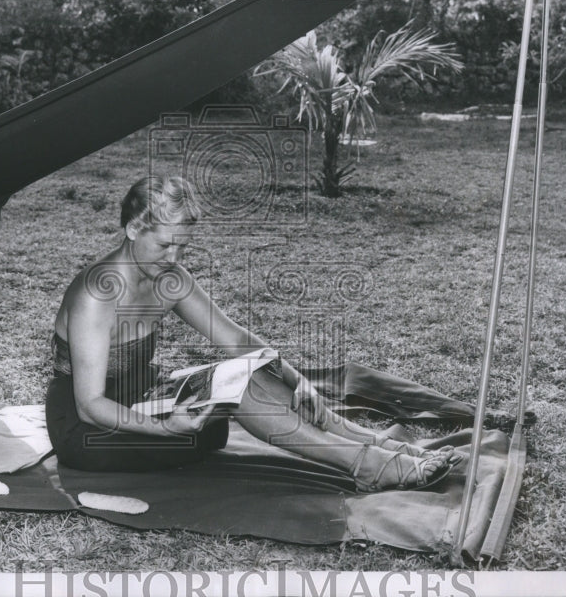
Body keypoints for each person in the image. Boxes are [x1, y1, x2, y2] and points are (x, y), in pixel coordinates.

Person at [45, 176, 459, 491]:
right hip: (88, 427)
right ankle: (366, 465)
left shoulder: (170, 278)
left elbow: (238, 341)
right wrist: (168, 428)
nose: (174, 258)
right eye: (165, 245)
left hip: (142, 392)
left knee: (247, 373)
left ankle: (373, 443)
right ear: (134, 229)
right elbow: (89, 404)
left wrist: (299, 382)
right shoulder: (98, 293)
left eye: (183, 247)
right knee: (214, 415)